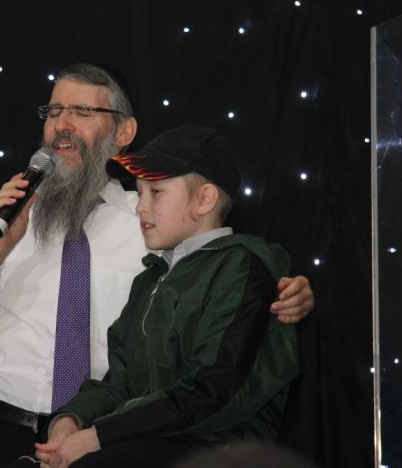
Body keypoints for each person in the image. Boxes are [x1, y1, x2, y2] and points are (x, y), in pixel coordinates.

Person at [0, 64, 313, 467]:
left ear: (124, 132)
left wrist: (285, 294)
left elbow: (222, 297)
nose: (61, 125)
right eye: (54, 111)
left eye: (82, 112)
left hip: (107, 440)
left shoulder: (156, 224)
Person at [23, 124, 299, 468]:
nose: (141, 207)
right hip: (147, 439)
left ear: (205, 199)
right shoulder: (150, 279)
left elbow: (213, 389)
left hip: (215, 449)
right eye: (139, 193)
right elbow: (119, 383)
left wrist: (99, 435)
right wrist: (70, 420)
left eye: (156, 192)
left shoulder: (241, 268)